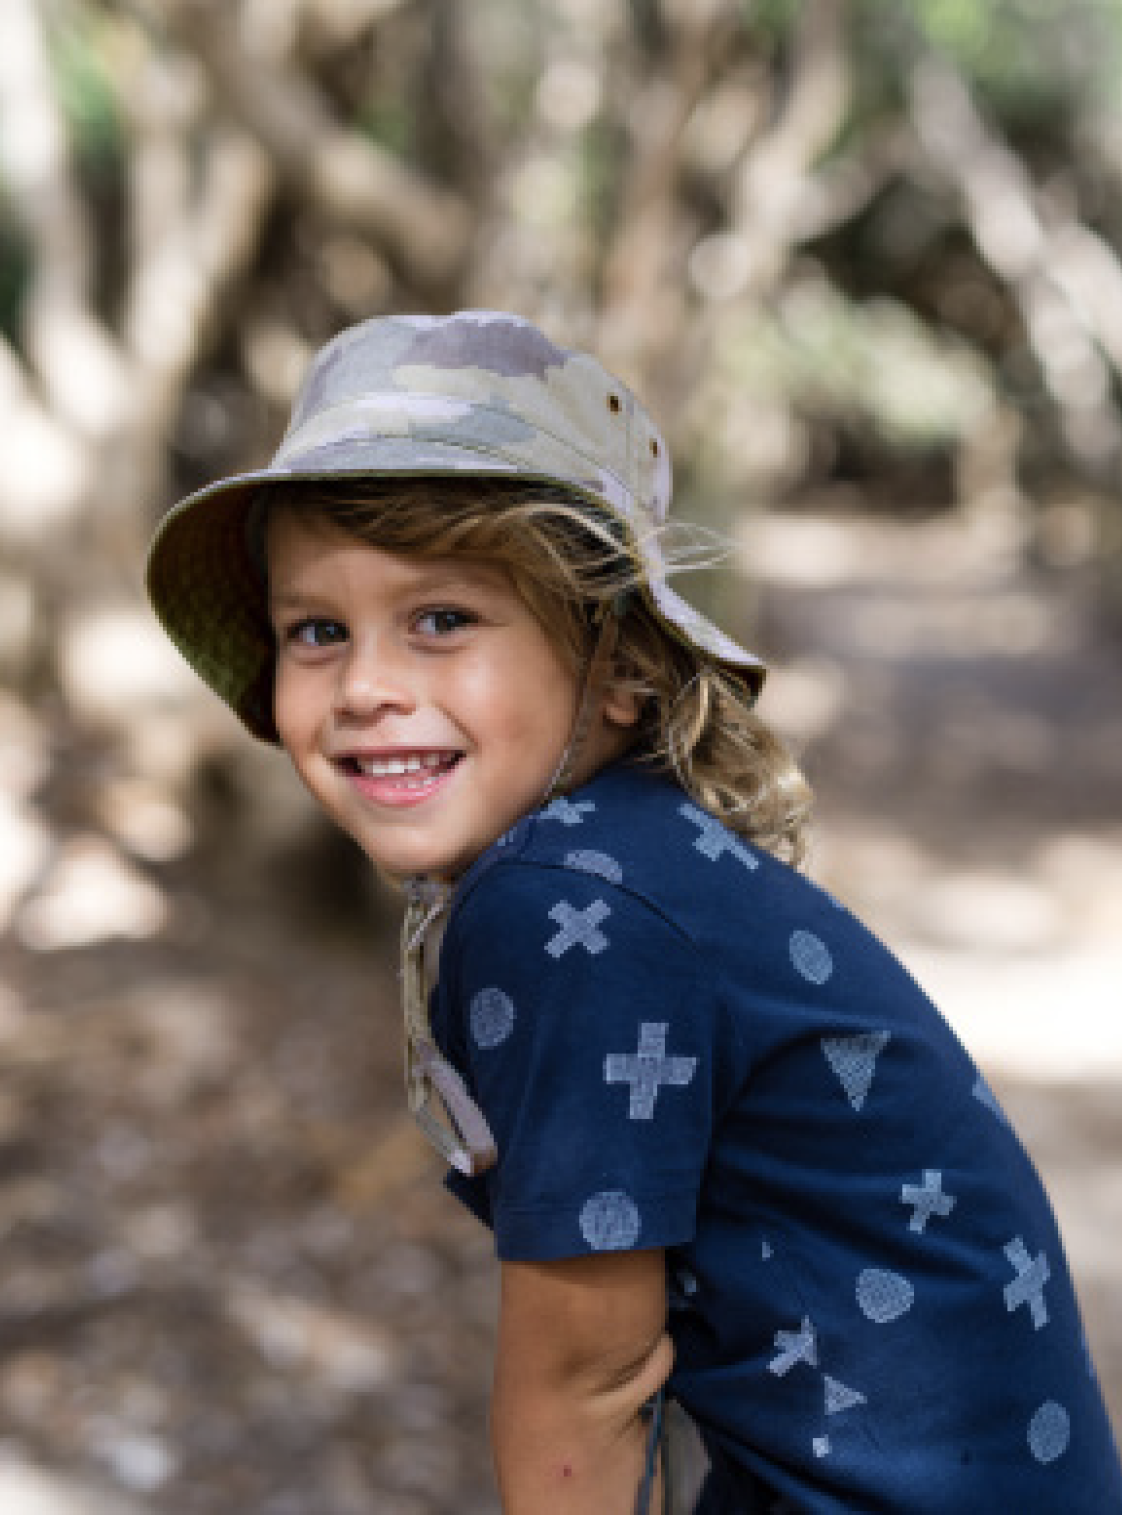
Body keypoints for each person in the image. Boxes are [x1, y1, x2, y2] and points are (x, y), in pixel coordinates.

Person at [145, 309, 1122, 1513]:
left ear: (620, 670)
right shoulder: (632, 852)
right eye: (316, 631)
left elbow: (588, 1387)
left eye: (442, 619)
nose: (365, 687)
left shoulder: (562, 905)